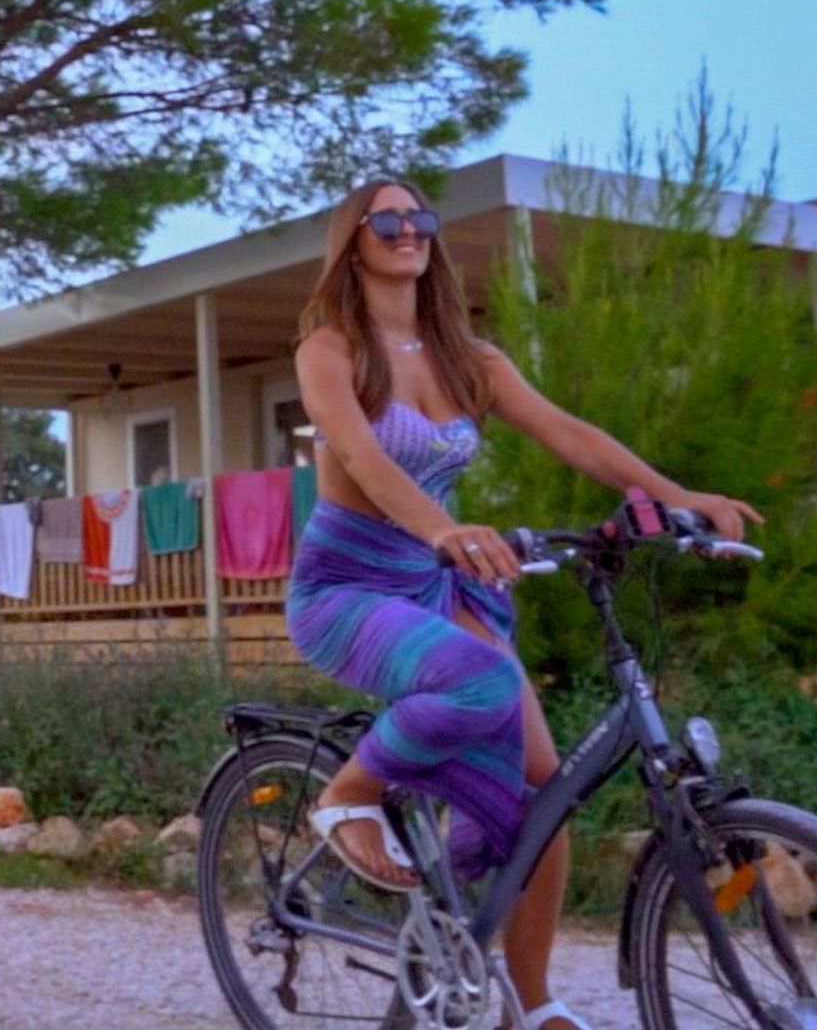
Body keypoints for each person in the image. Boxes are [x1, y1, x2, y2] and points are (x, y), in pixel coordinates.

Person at [286, 177, 759, 1030]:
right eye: (386, 219)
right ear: (352, 241)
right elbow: (359, 456)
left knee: (546, 797)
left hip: (441, 582)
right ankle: (345, 795)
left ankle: (530, 1005)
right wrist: (442, 527)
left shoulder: (472, 361)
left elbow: (569, 433)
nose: (408, 229)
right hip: (349, 586)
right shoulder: (329, 350)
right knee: (481, 682)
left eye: (420, 217)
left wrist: (676, 495)